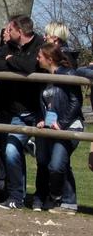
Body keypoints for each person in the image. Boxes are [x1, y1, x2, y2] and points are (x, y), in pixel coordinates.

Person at [0, 15, 43, 210]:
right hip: (16, 111)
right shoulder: (9, 46)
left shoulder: (40, 44)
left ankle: (44, 198)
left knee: (46, 160)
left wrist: (12, 59)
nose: (7, 33)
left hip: (38, 111)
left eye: (10, 30)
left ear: (19, 31)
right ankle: (16, 197)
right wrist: (16, 60)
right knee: (11, 151)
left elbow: (31, 66)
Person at [32, 42, 82, 213]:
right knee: (58, 163)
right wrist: (41, 119)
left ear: (49, 58)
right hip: (51, 126)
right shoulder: (44, 78)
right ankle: (68, 203)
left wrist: (62, 123)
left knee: (56, 164)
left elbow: (76, 102)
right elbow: (45, 104)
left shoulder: (68, 74)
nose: (37, 59)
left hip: (69, 126)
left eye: (40, 56)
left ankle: (58, 197)